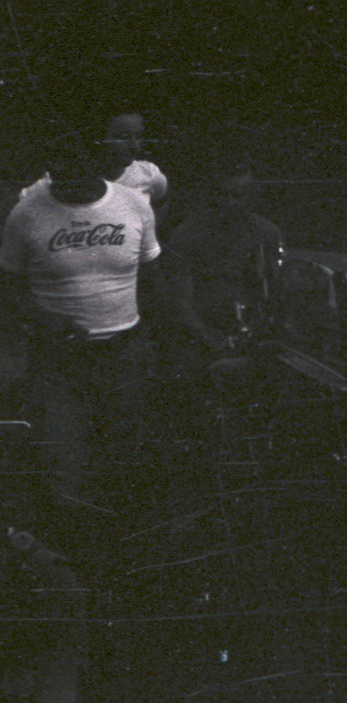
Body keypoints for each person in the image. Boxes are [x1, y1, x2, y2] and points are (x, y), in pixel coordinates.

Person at [0, 131, 164, 528]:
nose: (64, 179)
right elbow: (8, 289)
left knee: (126, 454)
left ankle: (129, 548)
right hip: (58, 361)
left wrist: (155, 342)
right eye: (56, 171)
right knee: (66, 462)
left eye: (74, 168)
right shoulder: (26, 214)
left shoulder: (133, 205)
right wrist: (42, 319)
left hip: (125, 350)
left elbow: (154, 275)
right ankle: (77, 549)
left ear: (96, 164)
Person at [166, 166, 283, 355]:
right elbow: (180, 302)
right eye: (221, 194)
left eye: (237, 196)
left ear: (251, 197)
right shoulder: (185, 235)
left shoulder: (267, 233)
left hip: (255, 335)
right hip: (201, 337)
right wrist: (211, 339)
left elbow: (275, 292)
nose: (228, 203)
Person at [19, 110, 170, 215]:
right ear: (98, 139)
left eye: (138, 136)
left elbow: (161, 204)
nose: (134, 146)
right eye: (123, 137)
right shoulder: (62, 182)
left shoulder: (148, 175)